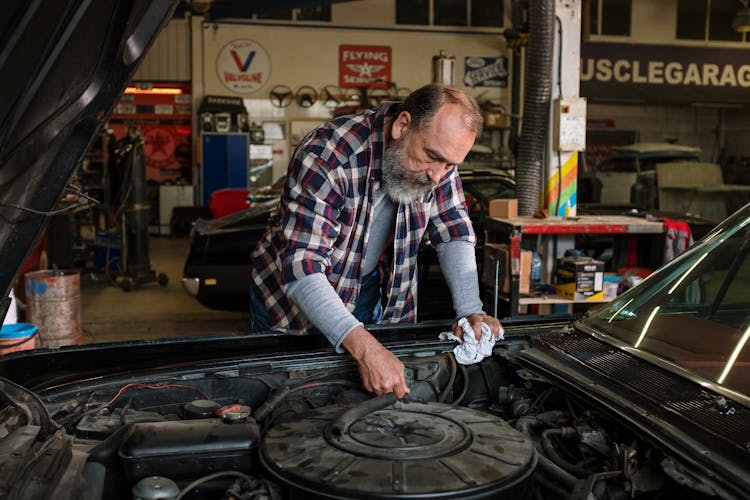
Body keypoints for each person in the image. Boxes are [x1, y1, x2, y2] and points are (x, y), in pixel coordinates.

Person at [250, 83, 502, 399]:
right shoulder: (328, 154)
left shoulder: (438, 161)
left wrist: (470, 309)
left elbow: (453, 229)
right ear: (402, 126)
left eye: (450, 165)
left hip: (368, 285)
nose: (438, 176)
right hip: (292, 302)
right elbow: (303, 266)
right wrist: (366, 348)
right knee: (293, 397)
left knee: (363, 395)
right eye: (432, 157)